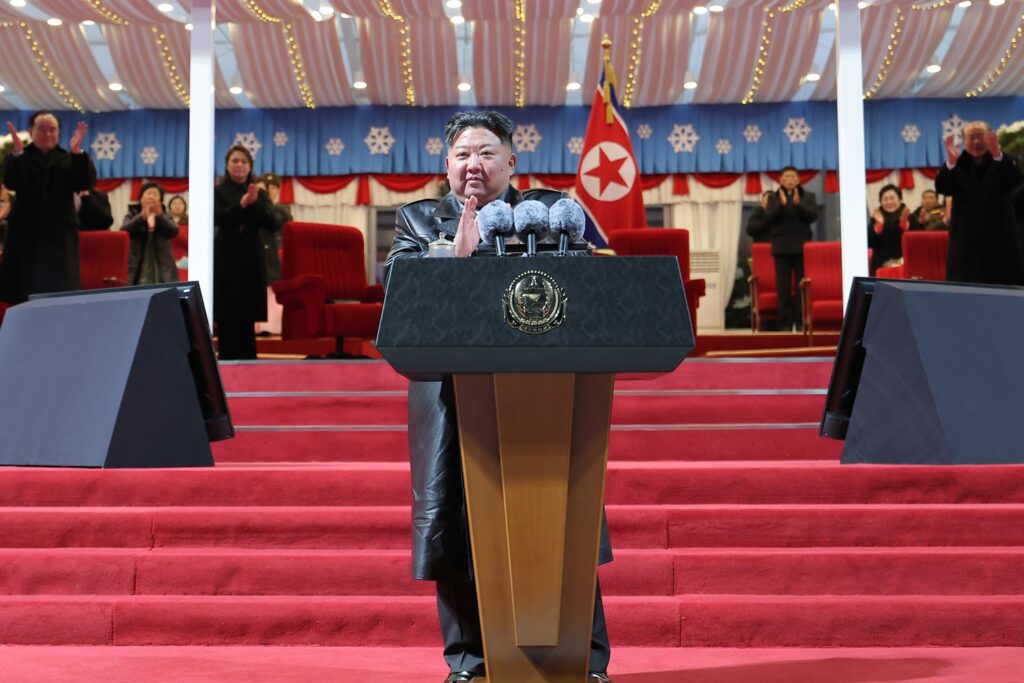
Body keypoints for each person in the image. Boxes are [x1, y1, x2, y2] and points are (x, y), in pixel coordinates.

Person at [384, 111, 613, 683]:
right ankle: (468, 661)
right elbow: (397, 295)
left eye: (486, 153)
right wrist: (453, 262)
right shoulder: (419, 220)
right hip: (449, 391)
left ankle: (584, 659)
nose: (473, 164)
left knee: (563, 515)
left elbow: (590, 283)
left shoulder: (549, 213)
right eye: (463, 154)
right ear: (446, 165)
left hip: (547, 390)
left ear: (511, 162)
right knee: (454, 522)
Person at [1, 113, 93, 304]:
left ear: (59, 133)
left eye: (52, 129)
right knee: (22, 287)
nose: (47, 134)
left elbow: (84, 183)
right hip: (24, 233)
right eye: (41, 129)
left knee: (60, 288)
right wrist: (17, 155)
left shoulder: (69, 158)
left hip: (60, 234)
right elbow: (11, 182)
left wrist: (77, 152)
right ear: (31, 131)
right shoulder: (21, 157)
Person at [936, 121, 1023, 285]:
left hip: (1000, 237)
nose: (976, 142)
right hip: (966, 238)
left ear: (990, 137)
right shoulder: (957, 164)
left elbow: (1015, 180)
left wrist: (997, 155)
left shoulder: (1004, 160)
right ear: (964, 141)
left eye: (980, 136)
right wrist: (951, 162)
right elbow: (942, 187)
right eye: (971, 137)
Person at [214, 144, 273, 360]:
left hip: (251, 257)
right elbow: (217, 218)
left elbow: (270, 221)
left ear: (250, 166)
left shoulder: (259, 193)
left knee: (247, 315)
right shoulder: (217, 191)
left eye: (244, 161)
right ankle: (227, 365)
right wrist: (241, 206)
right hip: (226, 256)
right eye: (235, 161)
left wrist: (254, 203)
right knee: (227, 314)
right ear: (227, 165)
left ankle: (250, 365)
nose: (239, 165)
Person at [761, 166, 818, 330]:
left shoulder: (808, 196)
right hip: (781, 249)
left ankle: (801, 322)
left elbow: (813, 216)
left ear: (798, 179)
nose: (790, 180)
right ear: (780, 180)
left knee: (801, 288)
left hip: (802, 249)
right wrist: (781, 205)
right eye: (786, 177)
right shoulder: (773, 197)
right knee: (783, 288)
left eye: (793, 176)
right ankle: (784, 324)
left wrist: (799, 205)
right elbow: (767, 219)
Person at [254, 173, 292, 336]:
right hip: (257, 253)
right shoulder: (252, 208)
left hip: (275, 254)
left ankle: (272, 325)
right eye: (266, 188)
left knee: (272, 290)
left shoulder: (282, 209)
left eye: (273, 187)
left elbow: (285, 231)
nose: (269, 191)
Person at [121, 181, 179, 285]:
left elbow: (174, 231)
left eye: (155, 194)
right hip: (137, 260)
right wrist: (141, 217)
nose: (151, 197)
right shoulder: (132, 213)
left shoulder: (165, 215)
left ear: (161, 201)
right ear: (141, 198)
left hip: (161, 261)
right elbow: (124, 231)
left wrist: (159, 217)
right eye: (148, 193)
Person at [868, 184, 911, 275]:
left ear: (900, 200)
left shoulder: (909, 216)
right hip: (880, 266)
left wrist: (904, 226)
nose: (889, 202)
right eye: (885, 199)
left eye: (892, 198)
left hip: (906, 266)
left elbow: (916, 242)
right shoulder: (876, 218)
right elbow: (869, 243)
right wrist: (879, 226)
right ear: (881, 202)